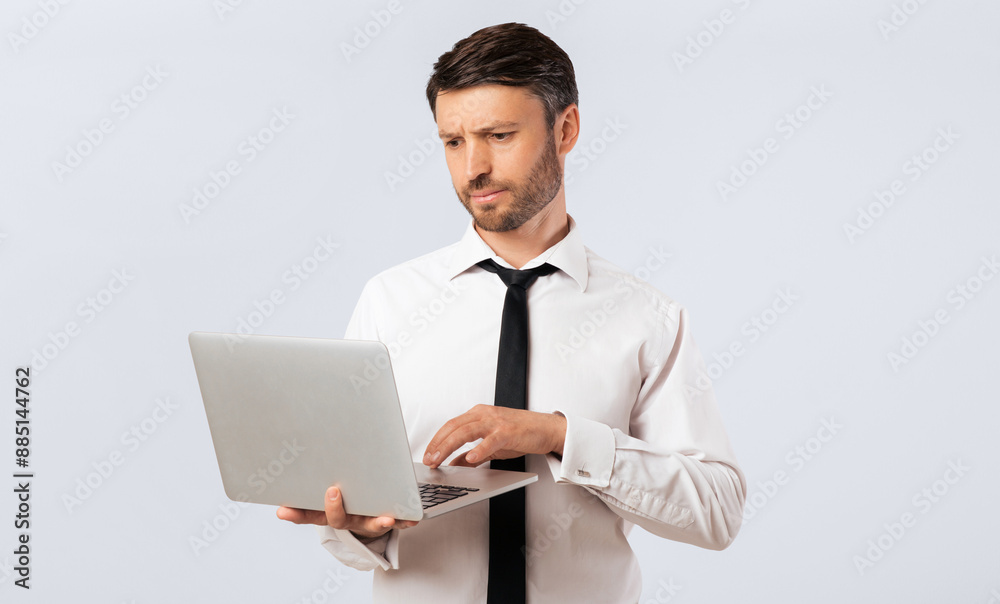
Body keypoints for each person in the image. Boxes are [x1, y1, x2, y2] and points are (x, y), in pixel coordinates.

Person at [277, 22, 746, 603]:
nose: (472, 168)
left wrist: (559, 435)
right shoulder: (389, 302)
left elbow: (716, 512)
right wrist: (359, 528)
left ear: (565, 129)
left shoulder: (647, 318)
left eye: (498, 136)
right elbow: (353, 515)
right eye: (453, 142)